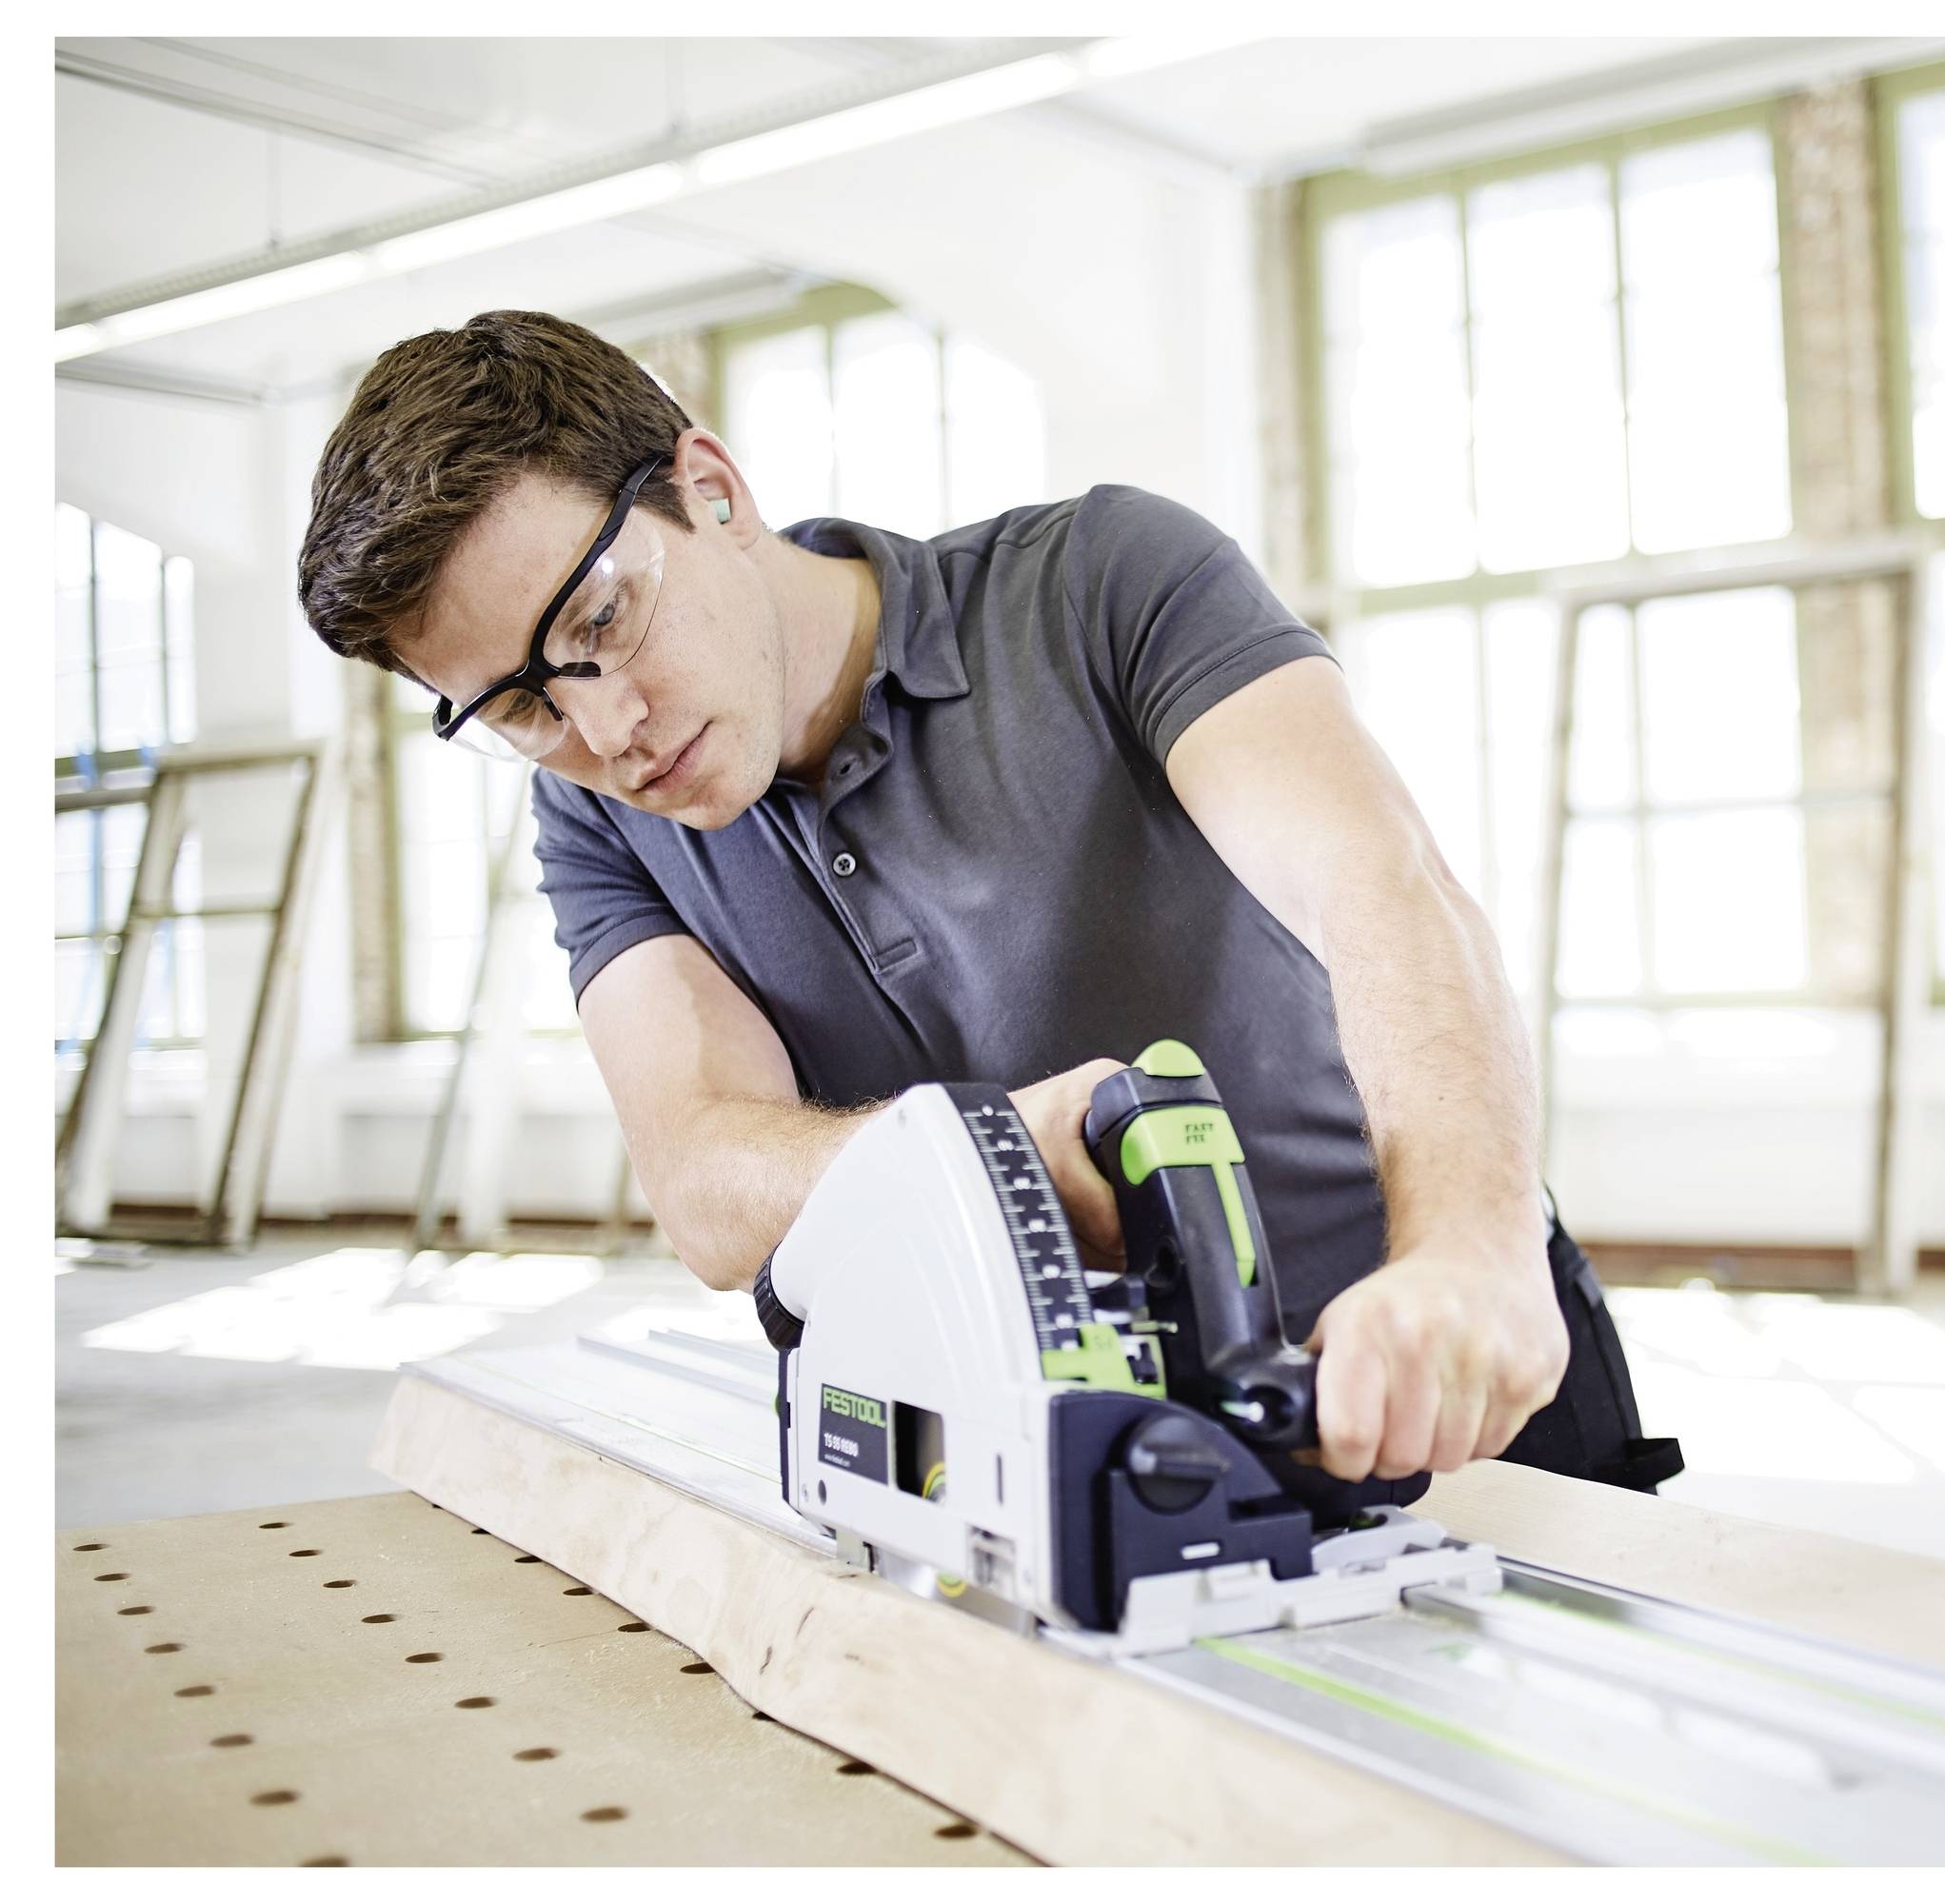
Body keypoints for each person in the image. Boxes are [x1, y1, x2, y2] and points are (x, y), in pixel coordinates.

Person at [295, 308, 1679, 1495]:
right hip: (1047, 1449)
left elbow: (1381, 890)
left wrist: (1470, 1253)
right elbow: (710, 1184)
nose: (610, 729)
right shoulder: (593, 810)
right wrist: (989, 1149)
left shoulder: (1103, 585)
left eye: (601, 623)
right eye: (524, 704)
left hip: (1433, 1368)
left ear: (710, 491)